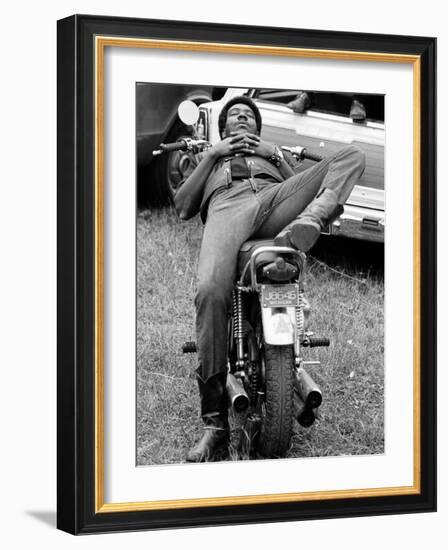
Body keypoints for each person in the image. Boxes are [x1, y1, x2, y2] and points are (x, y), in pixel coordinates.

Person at [174, 96, 366, 462]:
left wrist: (275, 155)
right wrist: (214, 155)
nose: (242, 117)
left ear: (257, 129)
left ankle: (309, 222)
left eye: (249, 116)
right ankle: (214, 427)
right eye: (235, 116)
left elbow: (306, 183)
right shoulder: (209, 158)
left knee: (353, 154)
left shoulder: (272, 156)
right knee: (210, 293)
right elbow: (183, 206)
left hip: (274, 202)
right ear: (224, 128)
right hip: (227, 208)